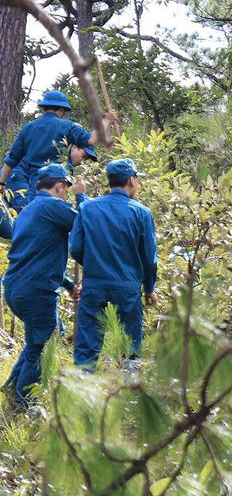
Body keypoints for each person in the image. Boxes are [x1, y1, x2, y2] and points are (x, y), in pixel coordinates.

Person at [3, 164, 87, 403]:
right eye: (66, 188)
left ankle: (11, 387)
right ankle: (23, 403)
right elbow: (87, 223)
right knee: (43, 345)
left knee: (45, 336)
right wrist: (81, 196)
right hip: (35, 291)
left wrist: (68, 285)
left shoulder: (28, 211)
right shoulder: (53, 206)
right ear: (59, 186)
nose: (67, 193)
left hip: (16, 287)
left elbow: (37, 257)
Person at [69, 158, 159, 368]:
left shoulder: (88, 208)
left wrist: (93, 265)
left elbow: (75, 248)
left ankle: (81, 387)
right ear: (132, 180)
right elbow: (149, 258)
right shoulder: (142, 213)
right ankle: (128, 387)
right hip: (127, 289)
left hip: (94, 287)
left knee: (86, 351)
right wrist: (149, 288)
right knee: (129, 351)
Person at [1, 91, 114, 212]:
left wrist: (1, 183)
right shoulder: (67, 126)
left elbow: (11, 160)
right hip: (56, 187)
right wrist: (107, 121)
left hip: (36, 185)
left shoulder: (28, 128)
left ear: (44, 108)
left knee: (35, 214)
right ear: (61, 109)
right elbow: (91, 140)